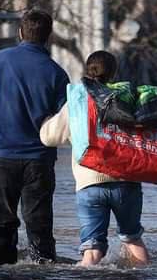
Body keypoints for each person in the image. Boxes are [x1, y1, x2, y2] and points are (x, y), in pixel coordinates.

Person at [0, 9, 69, 265]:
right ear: (48, 37)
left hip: (1, 153)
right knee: (39, 222)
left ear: (20, 33)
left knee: (3, 219)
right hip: (39, 158)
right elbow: (65, 119)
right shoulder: (57, 73)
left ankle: (3, 275)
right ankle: (43, 276)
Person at [40, 50, 150, 267]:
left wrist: (47, 120)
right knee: (133, 239)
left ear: (87, 71)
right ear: (113, 73)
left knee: (92, 251)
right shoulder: (127, 98)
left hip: (89, 184)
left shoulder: (78, 100)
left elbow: (48, 137)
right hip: (126, 183)